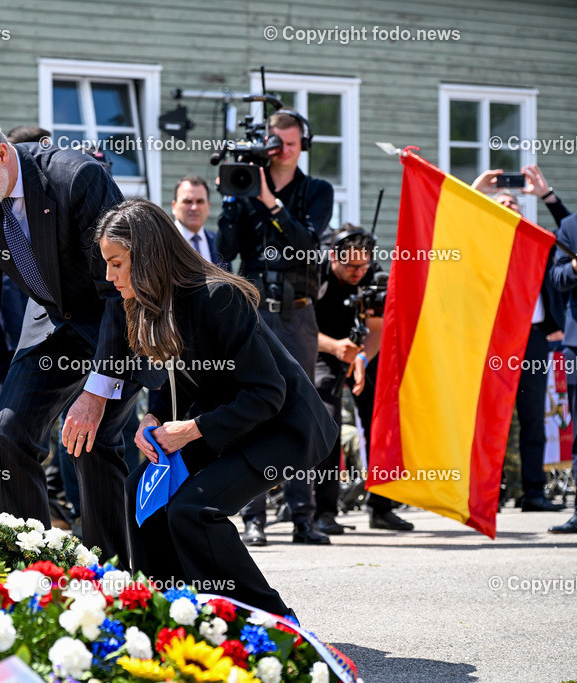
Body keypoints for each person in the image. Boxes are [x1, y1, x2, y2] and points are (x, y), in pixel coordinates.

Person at [0, 105, 152, 561]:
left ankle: (110, 576)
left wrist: (95, 394)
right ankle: (33, 572)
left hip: (119, 318)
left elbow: (119, 292)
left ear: (1, 153)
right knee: (6, 437)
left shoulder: (77, 178)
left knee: (91, 442)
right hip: (52, 323)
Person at [97, 197, 337, 616]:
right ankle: (171, 612)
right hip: (233, 420)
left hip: (287, 428)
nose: (109, 275)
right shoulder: (154, 303)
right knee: (139, 491)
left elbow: (267, 393)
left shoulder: (218, 297)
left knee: (195, 511)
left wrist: (190, 430)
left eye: (116, 263)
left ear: (147, 255)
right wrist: (154, 417)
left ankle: (275, 624)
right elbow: (177, 379)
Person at [216, 109, 334, 546]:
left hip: (297, 314)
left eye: (289, 143)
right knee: (251, 408)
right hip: (253, 312)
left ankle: (303, 516)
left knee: (300, 409)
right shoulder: (246, 187)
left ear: (303, 145)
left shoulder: (317, 190)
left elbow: (307, 243)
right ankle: (254, 517)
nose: (281, 150)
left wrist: (269, 201)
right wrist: (232, 201)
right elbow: (225, 250)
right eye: (275, 142)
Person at [473, 168, 569, 515]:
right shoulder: (481, 244)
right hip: (494, 339)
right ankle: (488, 493)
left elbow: (573, 233)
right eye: (500, 203)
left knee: (532, 418)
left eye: (513, 203)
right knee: (490, 417)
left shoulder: (537, 241)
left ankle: (533, 492)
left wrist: (546, 194)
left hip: (533, 339)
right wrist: (477, 192)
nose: (508, 205)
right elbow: (454, 224)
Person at [313, 226, 414, 532]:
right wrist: (335, 348)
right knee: (328, 423)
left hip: (364, 350)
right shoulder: (314, 273)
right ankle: (324, 512)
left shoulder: (373, 275)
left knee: (381, 422)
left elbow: (377, 327)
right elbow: (299, 329)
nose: (358, 272)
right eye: (350, 266)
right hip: (323, 349)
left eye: (363, 265)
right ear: (334, 257)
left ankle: (382, 507)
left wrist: (361, 358)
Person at [170, 175, 227, 268]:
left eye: (200, 201)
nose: (194, 207)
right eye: (187, 201)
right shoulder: (163, 243)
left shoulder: (218, 244)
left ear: (208, 206)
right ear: (174, 206)